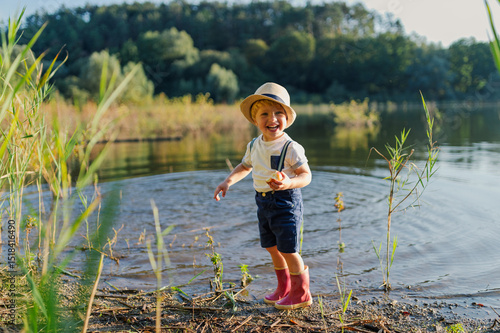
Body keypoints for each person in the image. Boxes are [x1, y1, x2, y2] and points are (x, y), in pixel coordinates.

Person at [213, 82, 312, 310]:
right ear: (255, 120)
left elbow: (306, 176)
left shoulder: (290, 147)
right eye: (265, 114)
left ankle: (302, 293)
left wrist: (288, 182)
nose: (272, 119)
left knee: (289, 249)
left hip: (285, 202)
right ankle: (284, 288)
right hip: (263, 201)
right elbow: (245, 166)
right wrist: (227, 181)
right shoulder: (254, 145)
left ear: (286, 118)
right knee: (272, 246)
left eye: (279, 113)